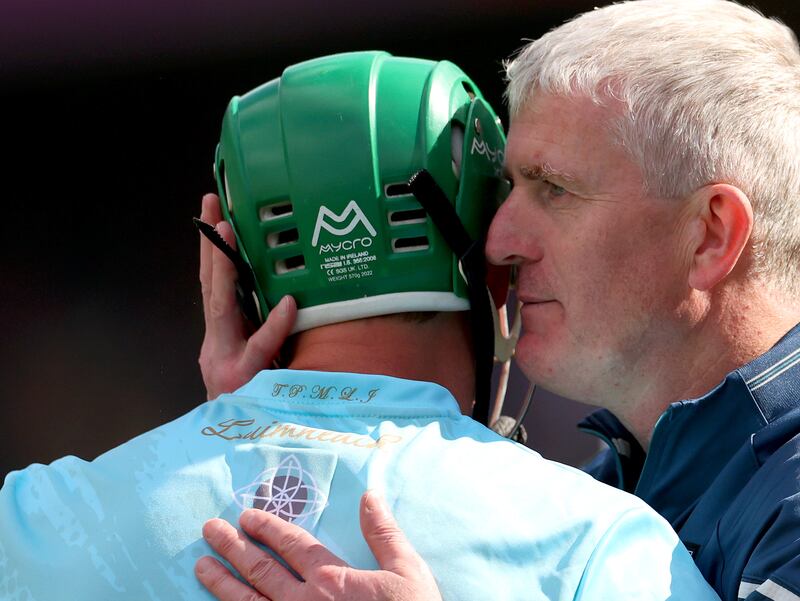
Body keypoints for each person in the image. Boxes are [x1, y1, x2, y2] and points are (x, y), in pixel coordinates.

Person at [0, 51, 715, 600]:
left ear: (233, 271)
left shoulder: (31, 518)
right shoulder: (601, 543)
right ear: (494, 270)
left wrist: (243, 422)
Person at [195, 1, 800, 600]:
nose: (499, 241)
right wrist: (274, 432)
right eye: (511, 187)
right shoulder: (604, 495)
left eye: (555, 189)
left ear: (710, 234)